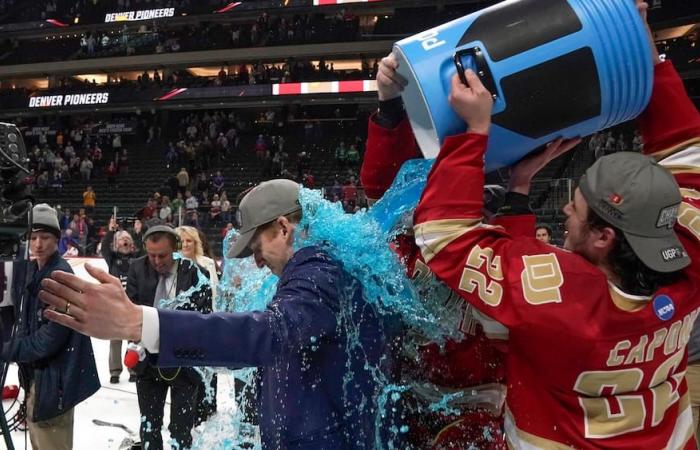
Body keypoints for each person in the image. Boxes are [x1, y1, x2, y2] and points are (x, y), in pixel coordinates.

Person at [410, 7, 700, 448]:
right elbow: (690, 148)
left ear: (605, 237)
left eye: (578, 207)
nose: (566, 209)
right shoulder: (689, 257)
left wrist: (474, 130)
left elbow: (441, 235)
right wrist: (644, 54)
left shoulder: (564, 301)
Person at [40, 179, 387, 449]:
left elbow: (270, 333)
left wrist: (141, 322)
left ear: (283, 228)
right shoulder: (317, 268)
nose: (258, 262)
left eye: (257, 247)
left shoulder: (318, 269)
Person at [2, 204, 99, 450]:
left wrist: (8, 349)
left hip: (56, 382)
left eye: (44, 237)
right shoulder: (31, 270)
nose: (37, 244)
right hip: (41, 379)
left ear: (56, 239)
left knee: (50, 443)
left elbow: (49, 340)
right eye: (33, 237)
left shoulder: (60, 276)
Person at [126, 225, 212, 450]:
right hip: (148, 363)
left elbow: (204, 317)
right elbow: (130, 311)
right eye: (151, 255)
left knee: (181, 430)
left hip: (183, 362)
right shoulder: (136, 268)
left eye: (162, 255)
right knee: (149, 426)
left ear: (174, 248)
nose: (156, 261)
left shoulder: (195, 272)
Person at [176, 225, 219, 424]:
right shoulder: (173, 265)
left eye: (189, 240)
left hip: (207, 324)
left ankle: (208, 408)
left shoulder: (208, 264)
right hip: (181, 329)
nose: (185, 244)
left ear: (196, 243)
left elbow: (216, 294)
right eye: (182, 241)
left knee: (208, 369)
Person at [101, 217, 139, 384]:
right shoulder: (112, 258)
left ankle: (133, 369)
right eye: (121, 239)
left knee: (133, 339)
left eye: (127, 239)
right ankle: (115, 371)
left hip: (132, 305)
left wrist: (137, 234)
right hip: (115, 306)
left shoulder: (137, 259)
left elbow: (144, 250)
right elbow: (104, 248)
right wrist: (111, 231)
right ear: (115, 244)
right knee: (115, 340)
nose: (125, 241)